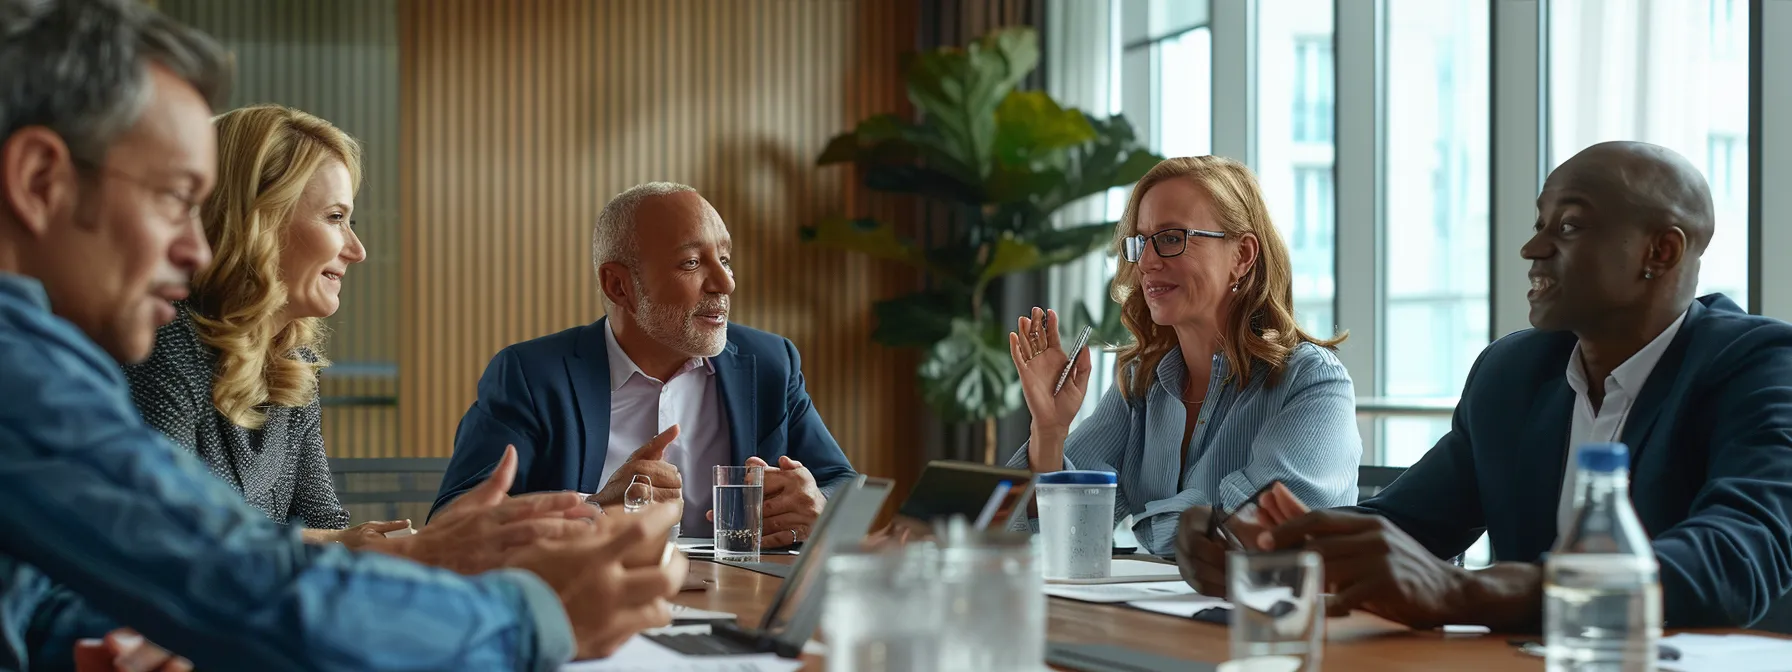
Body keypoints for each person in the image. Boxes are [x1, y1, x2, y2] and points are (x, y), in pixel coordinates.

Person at [0, 1, 684, 669]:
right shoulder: (23, 368)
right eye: (175, 200)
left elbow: (50, 593)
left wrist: (104, 640)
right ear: (38, 181)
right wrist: (538, 614)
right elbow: (237, 578)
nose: (197, 249)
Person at [1176, 141, 1792, 630]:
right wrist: (1267, 551)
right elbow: (1407, 526)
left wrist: (1470, 591)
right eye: (1540, 223)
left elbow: (1738, 553)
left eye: (1570, 227)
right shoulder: (1513, 373)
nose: (1533, 247)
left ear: (1660, 251)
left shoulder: (1758, 365)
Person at [434, 182, 857, 547]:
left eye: (724, 259)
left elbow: (844, 485)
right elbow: (453, 521)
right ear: (618, 285)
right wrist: (594, 510)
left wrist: (817, 505)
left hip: (739, 603)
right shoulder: (531, 375)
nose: (725, 283)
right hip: (588, 608)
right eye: (692, 262)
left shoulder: (769, 363)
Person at [1005, 155, 1362, 556]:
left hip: (1271, 616)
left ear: (1242, 256)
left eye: (1172, 238)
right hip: (1163, 616)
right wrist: (1049, 431)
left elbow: (1249, 537)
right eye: (1141, 241)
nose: (1146, 262)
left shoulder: (1314, 383)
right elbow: (1064, 539)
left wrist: (1140, 523)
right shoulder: (1142, 382)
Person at [122, 104, 391, 546]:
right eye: (336, 218)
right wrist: (335, 543)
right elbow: (166, 536)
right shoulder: (162, 345)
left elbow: (323, 519)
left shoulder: (291, 362)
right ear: (257, 222)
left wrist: (384, 545)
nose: (356, 250)